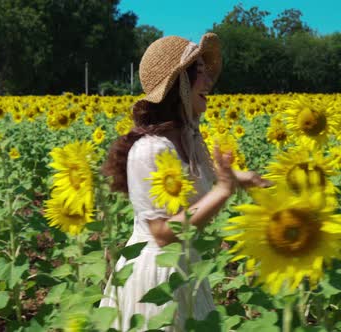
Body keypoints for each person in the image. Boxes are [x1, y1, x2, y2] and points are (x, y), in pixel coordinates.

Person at [100, 33, 266, 331]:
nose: (208, 83)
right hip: (156, 279)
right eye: (199, 74)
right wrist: (223, 191)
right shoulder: (150, 150)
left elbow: (206, 179)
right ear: (181, 85)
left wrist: (243, 178)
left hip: (183, 269)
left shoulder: (187, 138)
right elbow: (162, 233)